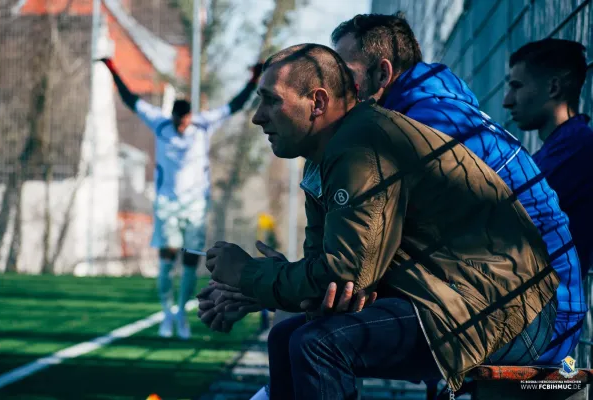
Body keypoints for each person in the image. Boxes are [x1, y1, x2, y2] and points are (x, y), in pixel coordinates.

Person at [199, 43, 559, 399]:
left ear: (318, 103)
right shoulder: (324, 156)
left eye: (271, 100)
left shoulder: (360, 147)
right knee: (285, 336)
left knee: (318, 344)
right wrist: (271, 287)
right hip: (446, 297)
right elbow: (330, 283)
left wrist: (248, 275)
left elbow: (344, 274)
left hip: (506, 314)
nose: (257, 116)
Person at [327, 13, 586, 365]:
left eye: (343, 72)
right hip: (521, 301)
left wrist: (269, 284)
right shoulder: (427, 114)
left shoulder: (425, 126)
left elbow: (374, 252)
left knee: (322, 340)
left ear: (383, 74)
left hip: (540, 316)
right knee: (315, 332)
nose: (331, 83)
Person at [99, 58, 262, 339]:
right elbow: (130, 100)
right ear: (173, 117)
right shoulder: (159, 124)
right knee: (166, 257)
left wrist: (254, 79)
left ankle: (182, 316)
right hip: (167, 203)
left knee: (190, 260)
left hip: (196, 204)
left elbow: (234, 106)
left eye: (185, 122)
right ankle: (166, 313)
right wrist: (113, 68)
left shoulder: (203, 124)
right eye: (178, 122)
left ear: (190, 117)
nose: (182, 126)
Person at [503, 38, 593, 280]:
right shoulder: (560, 150)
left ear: (553, 88)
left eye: (516, 86)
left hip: (541, 309)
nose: (507, 100)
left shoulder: (577, 150)